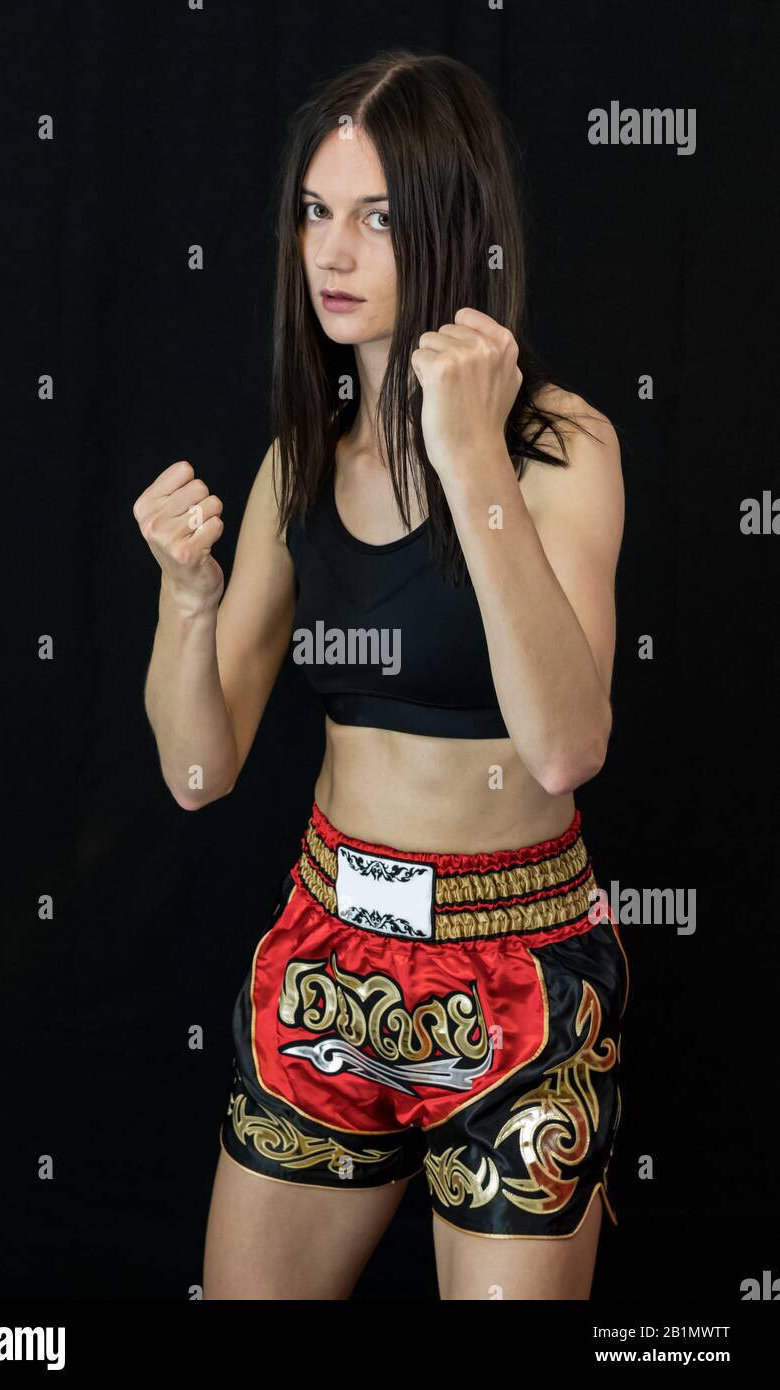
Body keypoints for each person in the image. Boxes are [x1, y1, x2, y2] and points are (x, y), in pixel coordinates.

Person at [134, 49, 629, 1301]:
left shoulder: (560, 450)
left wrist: (469, 457)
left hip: (517, 977)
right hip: (330, 959)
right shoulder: (294, 467)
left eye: (375, 217)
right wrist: (185, 605)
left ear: (452, 229)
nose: (331, 252)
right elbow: (199, 773)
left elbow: (567, 745)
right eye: (314, 212)